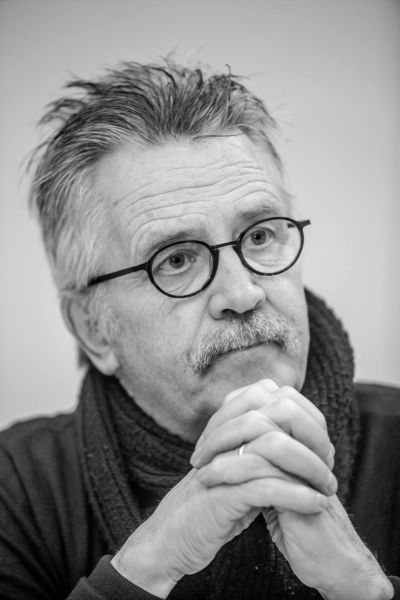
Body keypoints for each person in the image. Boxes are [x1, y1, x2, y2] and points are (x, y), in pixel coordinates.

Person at [0, 59, 399, 600]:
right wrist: (146, 568)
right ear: (94, 328)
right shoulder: (16, 490)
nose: (242, 293)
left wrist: (361, 588)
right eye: (176, 260)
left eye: (260, 236)